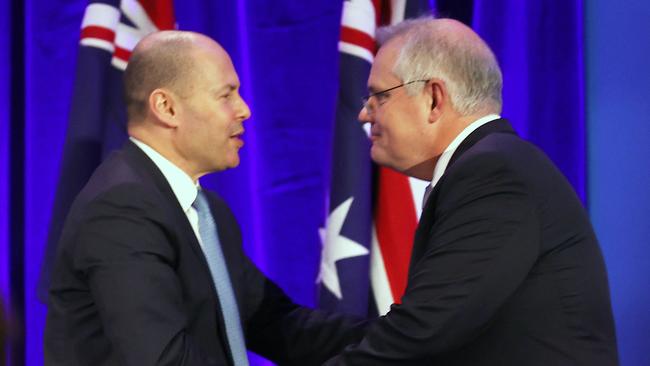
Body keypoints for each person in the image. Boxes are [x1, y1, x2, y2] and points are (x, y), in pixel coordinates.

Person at [44, 31, 366, 366]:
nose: (244, 110)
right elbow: (164, 360)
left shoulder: (208, 213)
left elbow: (277, 324)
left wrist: (403, 336)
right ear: (167, 108)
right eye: (226, 95)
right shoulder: (121, 211)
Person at [324, 17, 618, 365]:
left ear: (434, 98)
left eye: (379, 97)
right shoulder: (491, 167)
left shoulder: (493, 174)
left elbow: (421, 332)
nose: (363, 114)